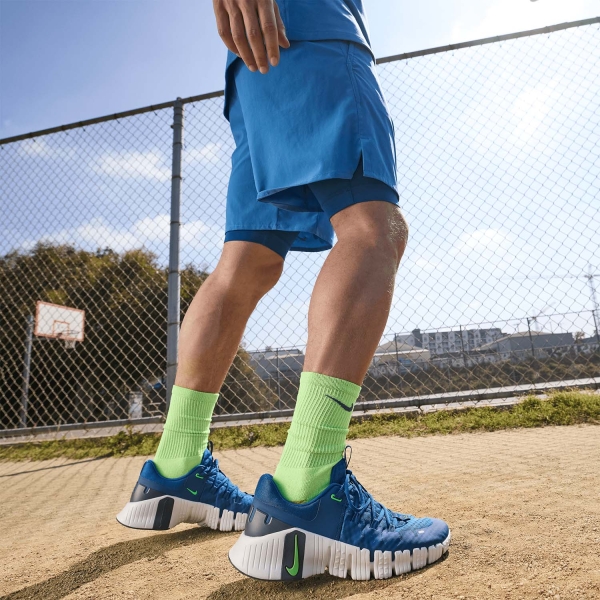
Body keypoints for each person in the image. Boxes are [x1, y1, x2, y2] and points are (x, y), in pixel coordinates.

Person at [117, 0, 450, 580]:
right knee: (373, 226)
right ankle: (308, 487)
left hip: (255, 59)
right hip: (308, 25)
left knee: (246, 262)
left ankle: (175, 466)